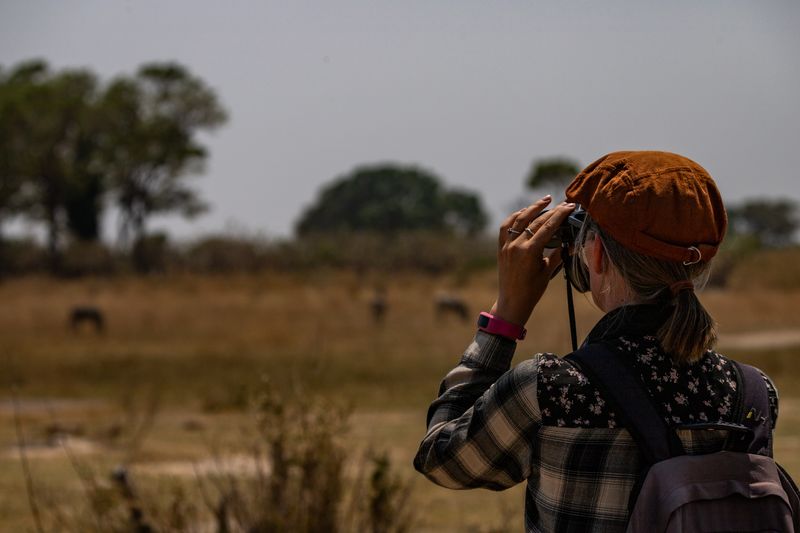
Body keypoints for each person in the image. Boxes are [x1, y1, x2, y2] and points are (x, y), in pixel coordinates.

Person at [413, 151, 779, 532]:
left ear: (598, 254)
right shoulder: (752, 394)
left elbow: (441, 457)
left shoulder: (550, 389)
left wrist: (504, 317)